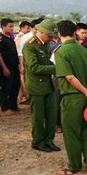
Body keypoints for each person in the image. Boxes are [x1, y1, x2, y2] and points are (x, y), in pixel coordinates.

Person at [54, 20, 87, 175]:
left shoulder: (61, 52)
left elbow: (69, 77)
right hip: (86, 98)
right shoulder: (83, 50)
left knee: (71, 133)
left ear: (59, 34)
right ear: (74, 33)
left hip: (72, 98)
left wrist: (85, 91)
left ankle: (74, 166)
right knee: (85, 130)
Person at [23, 19, 60, 153]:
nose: (51, 39)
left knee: (51, 115)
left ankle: (49, 140)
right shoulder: (30, 46)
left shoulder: (44, 44)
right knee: (38, 117)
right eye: (49, 35)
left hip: (48, 85)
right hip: (36, 87)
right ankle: (38, 141)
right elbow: (35, 68)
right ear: (41, 32)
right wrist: (56, 69)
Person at [0, 18, 20, 115]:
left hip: (14, 66)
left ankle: (13, 106)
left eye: (12, 26)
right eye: (9, 26)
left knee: (15, 85)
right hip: (5, 66)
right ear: (3, 27)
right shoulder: (0, 39)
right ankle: (5, 108)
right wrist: (4, 68)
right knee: (5, 87)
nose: (12, 28)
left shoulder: (10, 38)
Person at [14, 20, 32, 104]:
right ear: (21, 28)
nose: (29, 30)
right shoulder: (20, 37)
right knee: (22, 81)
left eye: (29, 28)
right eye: (27, 28)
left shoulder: (25, 36)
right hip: (21, 61)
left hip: (24, 61)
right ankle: (22, 97)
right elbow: (19, 51)